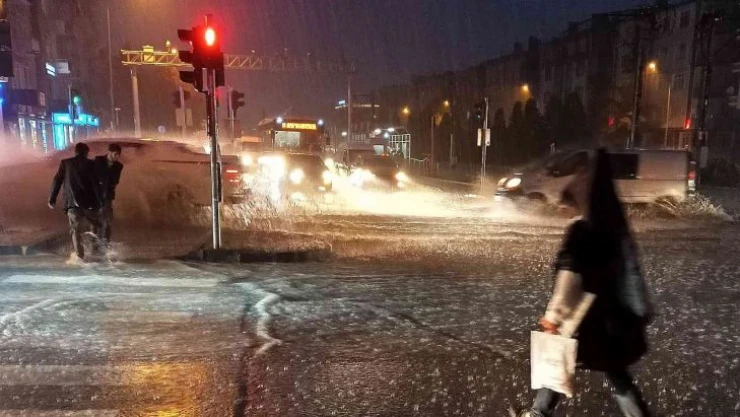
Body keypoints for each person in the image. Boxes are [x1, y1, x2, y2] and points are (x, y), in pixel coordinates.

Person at [519, 148, 653, 417]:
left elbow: (569, 278)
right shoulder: (612, 228)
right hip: (608, 317)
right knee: (613, 369)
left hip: (584, 318)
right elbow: (629, 270)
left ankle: (538, 414)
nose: (561, 208)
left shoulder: (580, 232)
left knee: (559, 358)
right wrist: (639, 307)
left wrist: (553, 317)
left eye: (565, 202)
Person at [48, 142, 102, 260]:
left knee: (75, 230)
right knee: (95, 225)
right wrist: (100, 202)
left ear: (76, 152)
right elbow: (96, 184)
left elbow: (57, 181)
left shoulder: (66, 163)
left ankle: (80, 256)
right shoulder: (91, 164)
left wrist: (52, 199)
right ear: (86, 153)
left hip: (72, 203)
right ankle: (94, 249)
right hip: (89, 203)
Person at [93, 143, 123, 246]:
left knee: (108, 220)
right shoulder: (98, 161)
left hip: (107, 196)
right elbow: (92, 177)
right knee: (95, 220)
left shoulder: (118, 166)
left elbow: (115, 181)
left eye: (118, 155)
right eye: (115, 154)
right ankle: (94, 242)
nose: (117, 157)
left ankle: (105, 242)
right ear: (109, 152)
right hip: (95, 195)